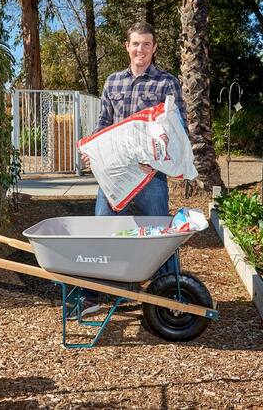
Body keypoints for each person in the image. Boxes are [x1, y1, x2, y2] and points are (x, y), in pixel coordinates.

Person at [71, 21, 188, 319]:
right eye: (136, 43)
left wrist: (157, 159)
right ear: (127, 46)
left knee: (161, 234)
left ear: (154, 48)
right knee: (102, 231)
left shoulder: (166, 82)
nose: (141, 49)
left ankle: (173, 295)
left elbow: (178, 128)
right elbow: (103, 125)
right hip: (116, 174)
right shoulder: (113, 82)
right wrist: (92, 152)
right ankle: (91, 296)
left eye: (147, 44)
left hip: (150, 175)